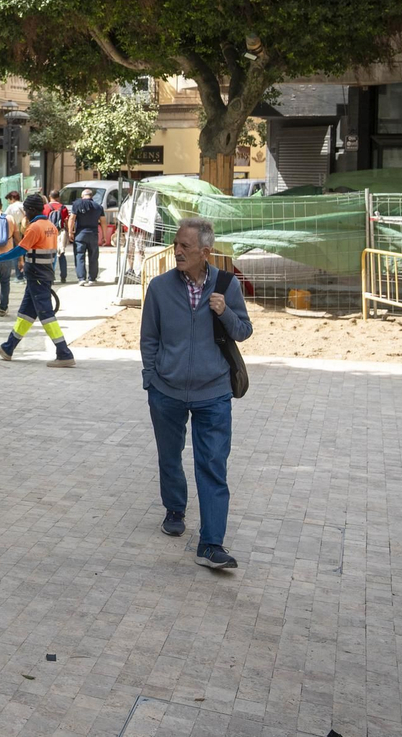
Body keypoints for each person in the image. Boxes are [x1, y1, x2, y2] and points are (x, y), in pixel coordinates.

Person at [141, 218, 252, 570]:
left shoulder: (227, 284)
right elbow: (149, 338)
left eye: (185, 247)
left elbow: (244, 331)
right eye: (176, 245)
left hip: (214, 393)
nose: (177, 251)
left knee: (213, 465)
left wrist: (225, 312)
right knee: (170, 456)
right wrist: (151, 377)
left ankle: (211, 543)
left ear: (205, 252)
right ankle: (175, 508)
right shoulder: (159, 288)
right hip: (166, 391)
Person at [0, 193, 76, 368]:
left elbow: (20, 250)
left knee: (46, 315)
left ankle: (64, 353)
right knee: (25, 314)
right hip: (42, 276)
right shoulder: (51, 226)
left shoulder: (34, 228)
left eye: (25, 211)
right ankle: (8, 348)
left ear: (30, 210)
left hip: (37, 277)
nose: (24, 214)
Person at [70, 188, 106, 286]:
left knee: (79, 256)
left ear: (82, 196)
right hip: (93, 234)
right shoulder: (98, 207)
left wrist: (70, 232)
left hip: (80, 234)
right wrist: (104, 236)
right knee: (93, 257)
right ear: (91, 196)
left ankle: (81, 278)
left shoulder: (77, 204)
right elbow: (103, 222)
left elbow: (72, 218)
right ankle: (92, 279)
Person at [42, 191, 70, 282]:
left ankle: (51, 276)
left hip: (48, 233)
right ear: (59, 197)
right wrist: (69, 232)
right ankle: (63, 276)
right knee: (61, 254)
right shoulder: (63, 208)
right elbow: (66, 221)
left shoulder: (45, 207)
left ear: (49, 196)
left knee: (50, 255)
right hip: (60, 233)